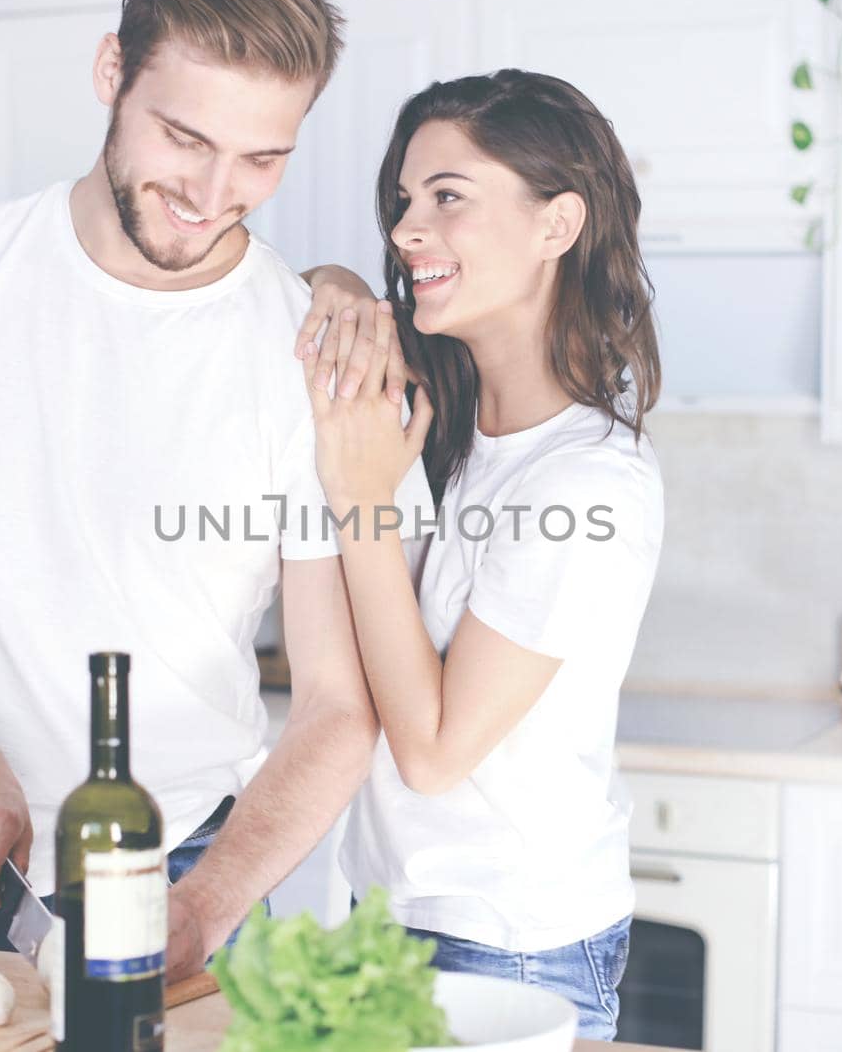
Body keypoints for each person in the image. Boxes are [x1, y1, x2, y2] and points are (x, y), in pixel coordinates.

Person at [0, 0, 427, 975]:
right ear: (111, 75)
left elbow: (339, 701)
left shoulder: (312, 356)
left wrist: (204, 904)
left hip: (178, 871)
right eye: (185, 138)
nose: (215, 192)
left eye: (262, 157)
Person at [294, 70, 665, 1039]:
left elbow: (431, 750)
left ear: (557, 224)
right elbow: (305, 297)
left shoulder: (586, 483)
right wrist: (335, 282)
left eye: (447, 197)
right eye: (403, 202)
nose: (407, 229)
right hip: (397, 916)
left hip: (510, 940)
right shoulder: (454, 423)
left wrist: (363, 501)